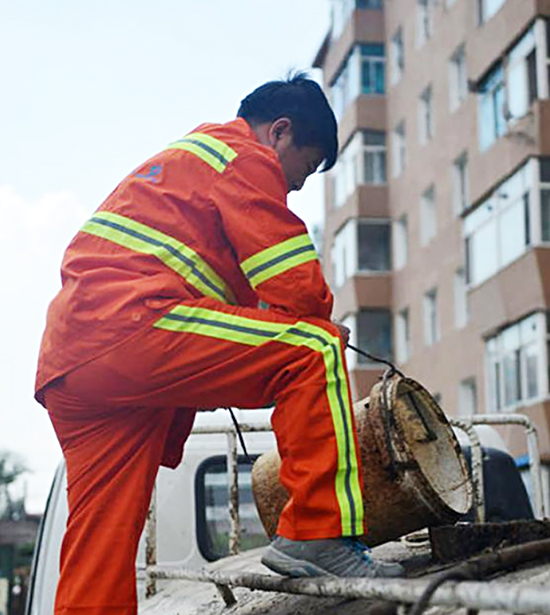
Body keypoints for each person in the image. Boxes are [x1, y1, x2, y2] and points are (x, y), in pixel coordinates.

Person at [35, 73, 404, 615]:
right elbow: (291, 280)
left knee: (100, 548)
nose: (293, 189)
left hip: (75, 362)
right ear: (279, 132)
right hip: (132, 328)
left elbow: (221, 289)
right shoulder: (241, 155)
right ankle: (317, 532)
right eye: (300, 171)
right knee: (313, 350)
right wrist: (320, 322)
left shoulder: (187, 167)